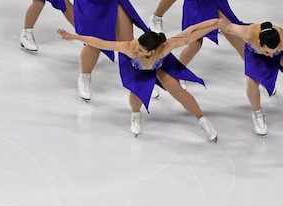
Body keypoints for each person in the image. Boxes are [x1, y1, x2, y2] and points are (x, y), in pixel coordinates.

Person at [57, 19, 221, 139]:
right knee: (137, 94)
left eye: (141, 50)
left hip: (159, 68)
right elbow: (101, 43)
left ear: (152, 51)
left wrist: (216, 24)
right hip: (137, 70)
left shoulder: (166, 47)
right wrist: (75, 37)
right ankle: (136, 114)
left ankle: (202, 120)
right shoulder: (129, 48)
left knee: (178, 90)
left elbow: (190, 34)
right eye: (138, 46)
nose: (136, 49)